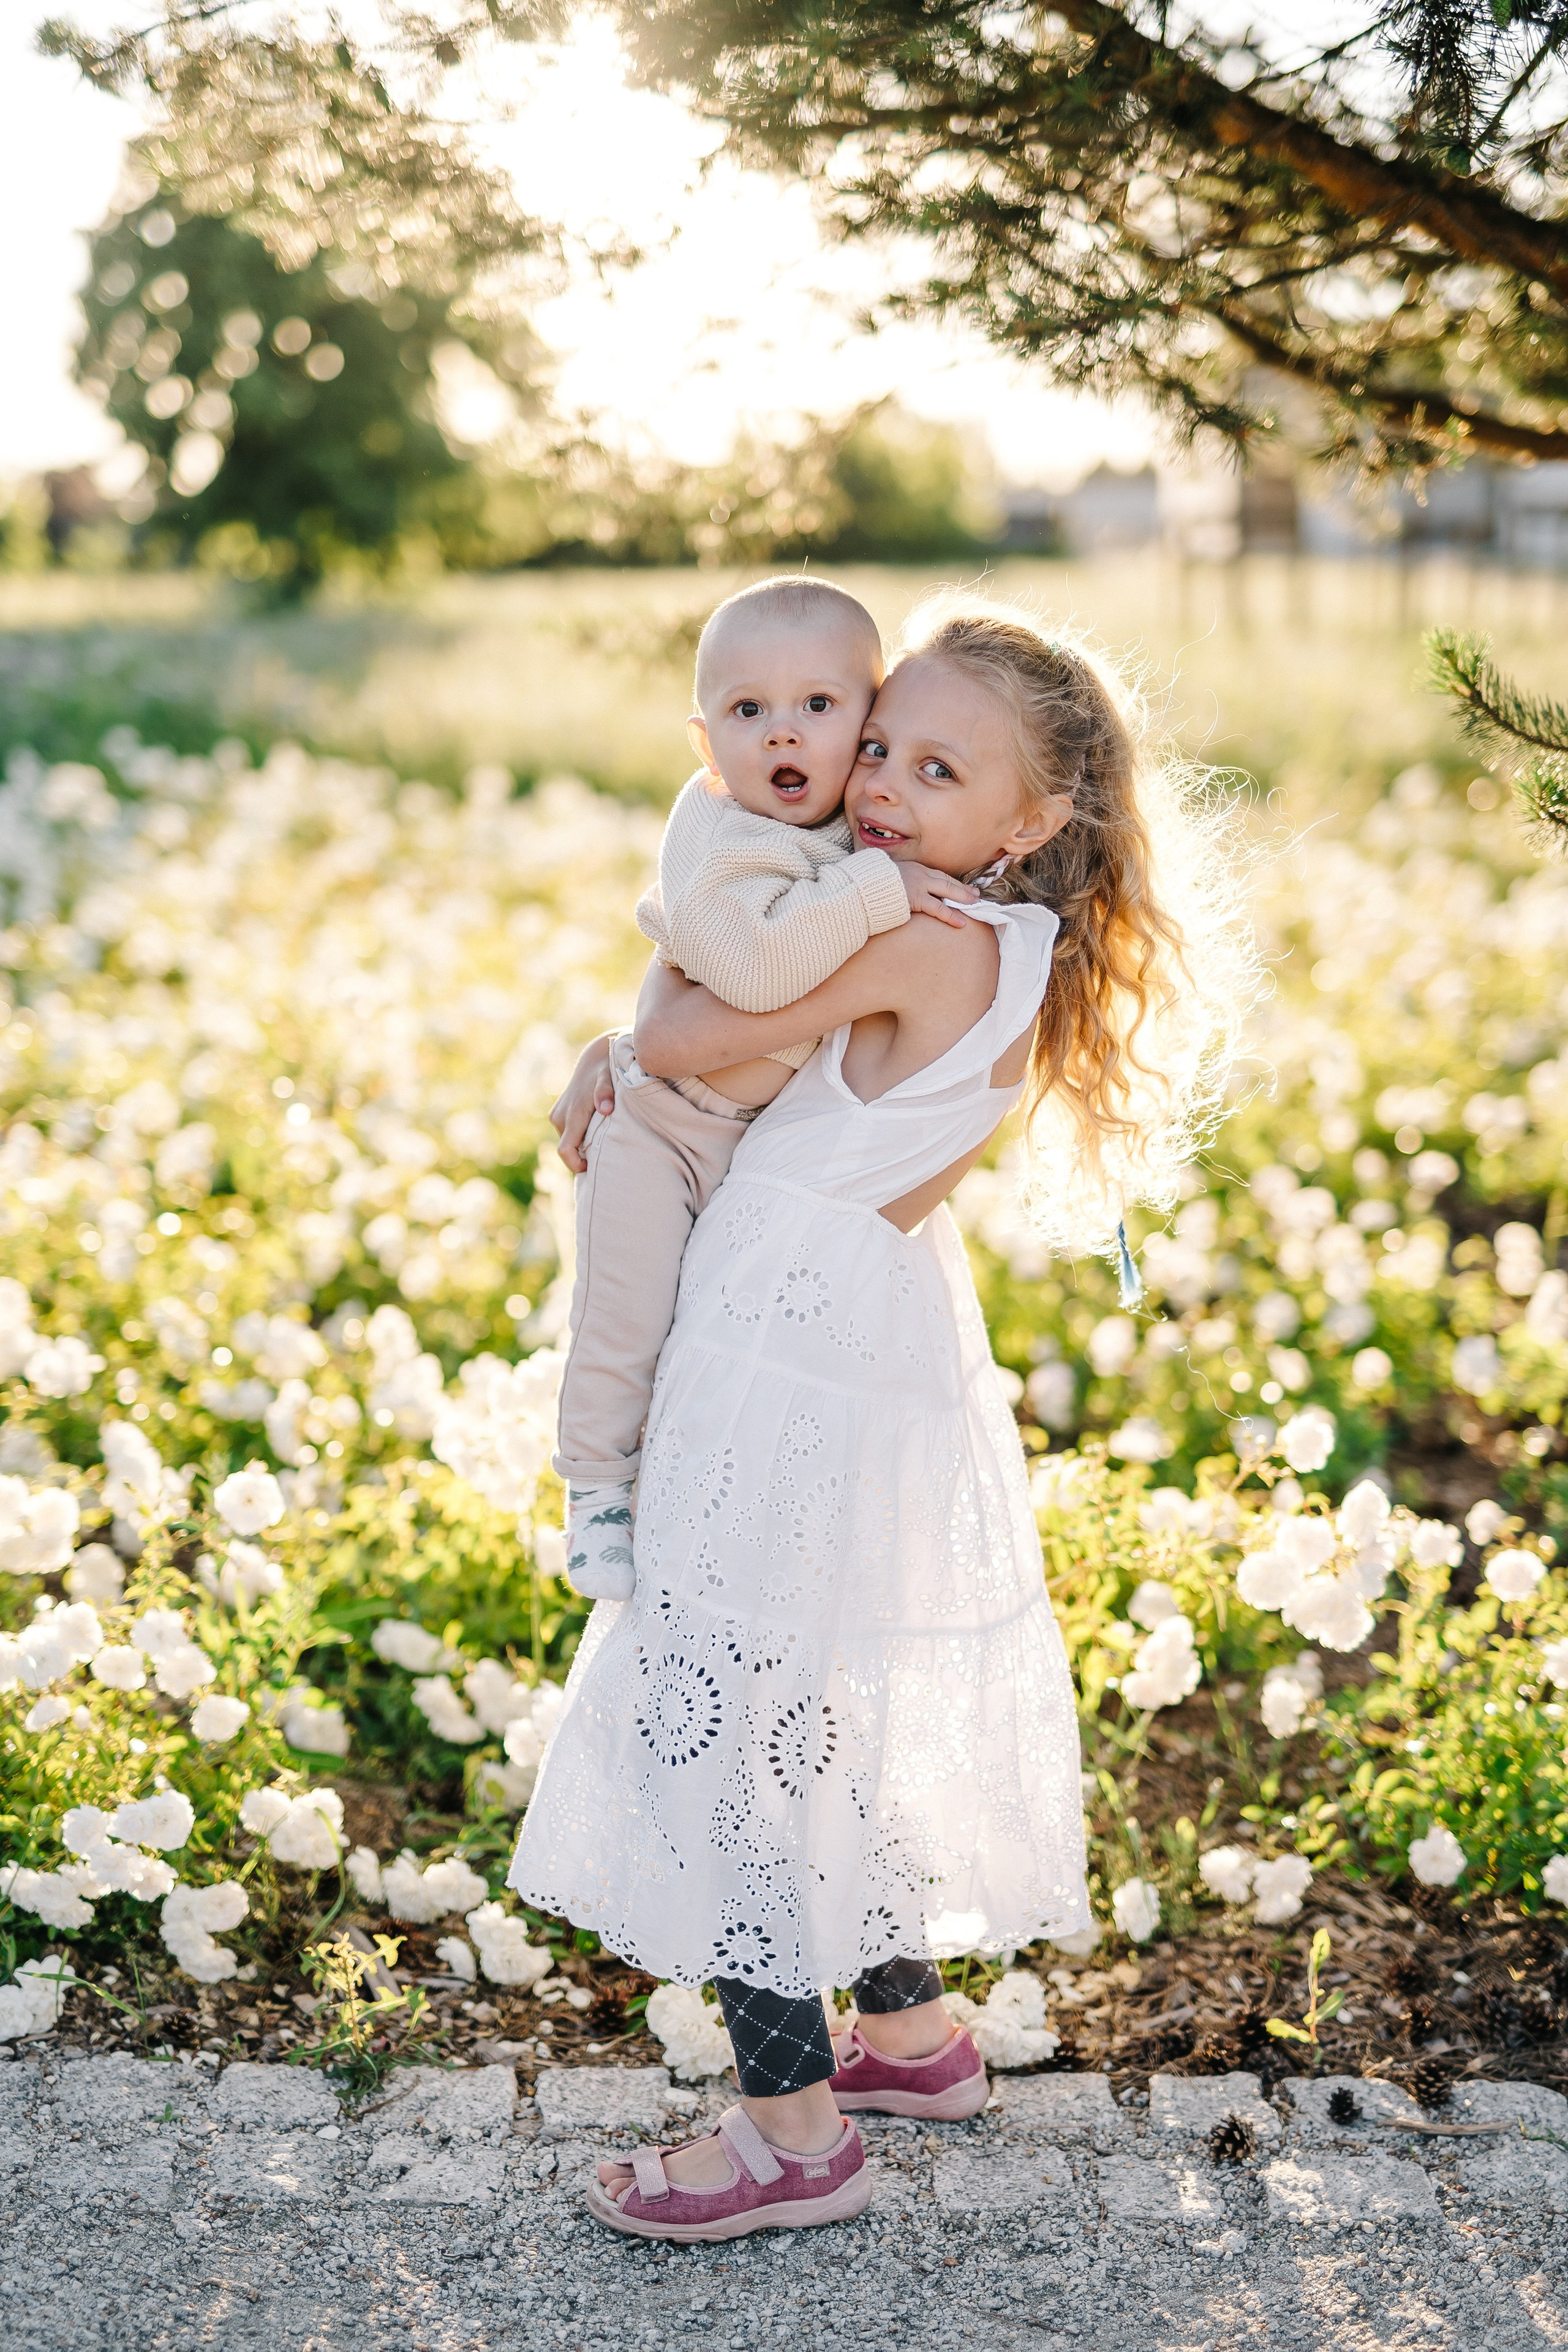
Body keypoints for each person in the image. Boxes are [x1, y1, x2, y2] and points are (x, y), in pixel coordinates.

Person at [512, 596, 1254, 2243]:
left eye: (934, 765)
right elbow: (743, 1062)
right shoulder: (1017, 948)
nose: (880, 788)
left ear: (1037, 816)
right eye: (878, 750)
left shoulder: (909, 933)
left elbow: (682, 1034)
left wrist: (610, 1052)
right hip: (874, 1346)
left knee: (715, 1715)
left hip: (773, 1353)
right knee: (812, 1691)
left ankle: (790, 2136)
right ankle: (910, 2035)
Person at [555, 575, 978, 1601]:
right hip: (658, 1127)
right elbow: (747, 972)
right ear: (708, 747)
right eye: (750, 713)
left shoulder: (857, 832)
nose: (782, 737)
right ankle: (596, 1487)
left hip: (751, 1144)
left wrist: (881, 879)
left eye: (820, 708)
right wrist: (878, 893)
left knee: (699, 1344)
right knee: (624, 1314)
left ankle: (663, 1471)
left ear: (869, 723)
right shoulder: (716, 827)